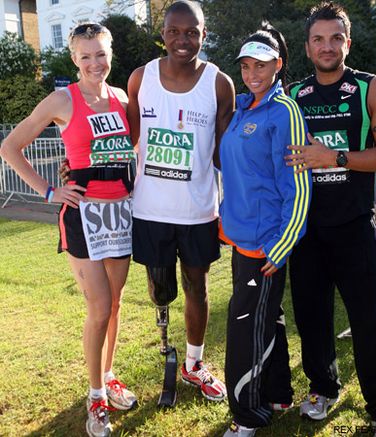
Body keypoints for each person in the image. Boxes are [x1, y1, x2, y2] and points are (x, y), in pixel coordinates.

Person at [0, 23, 137, 437]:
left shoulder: (122, 98)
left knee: (114, 305)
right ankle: (95, 396)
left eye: (101, 54)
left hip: (121, 213)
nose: (95, 63)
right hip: (82, 215)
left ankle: (108, 375)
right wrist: (48, 190)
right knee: (98, 308)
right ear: (74, 59)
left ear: (110, 53)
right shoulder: (62, 98)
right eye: (85, 56)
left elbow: (128, 150)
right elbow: (10, 147)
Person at [285, 3, 376, 437]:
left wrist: (333, 156)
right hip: (306, 228)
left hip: (354, 224)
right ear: (307, 46)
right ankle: (322, 388)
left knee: (368, 319)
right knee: (312, 317)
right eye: (318, 39)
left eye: (335, 38)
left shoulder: (372, 88)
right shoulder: (294, 95)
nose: (327, 46)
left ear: (347, 43)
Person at [127, 0, 235, 402]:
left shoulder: (219, 83)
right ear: (163, 34)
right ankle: (163, 343)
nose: (183, 40)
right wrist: (81, 165)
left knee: (198, 288)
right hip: (150, 210)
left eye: (192, 32)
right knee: (160, 289)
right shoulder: (141, 78)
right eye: (174, 31)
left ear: (204, 34)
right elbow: (126, 141)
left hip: (197, 211)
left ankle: (193, 364)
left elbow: (226, 155)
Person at [219, 24, 312, 436]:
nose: (253, 72)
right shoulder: (244, 107)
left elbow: (299, 185)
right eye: (246, 65)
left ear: (278, 64)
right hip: (244, 241)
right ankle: (277, 394)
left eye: (262, 64)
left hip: (267, 245)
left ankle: (246, 416)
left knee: (244, 330)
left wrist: (283, 245)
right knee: (266, 319)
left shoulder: (284, 111)